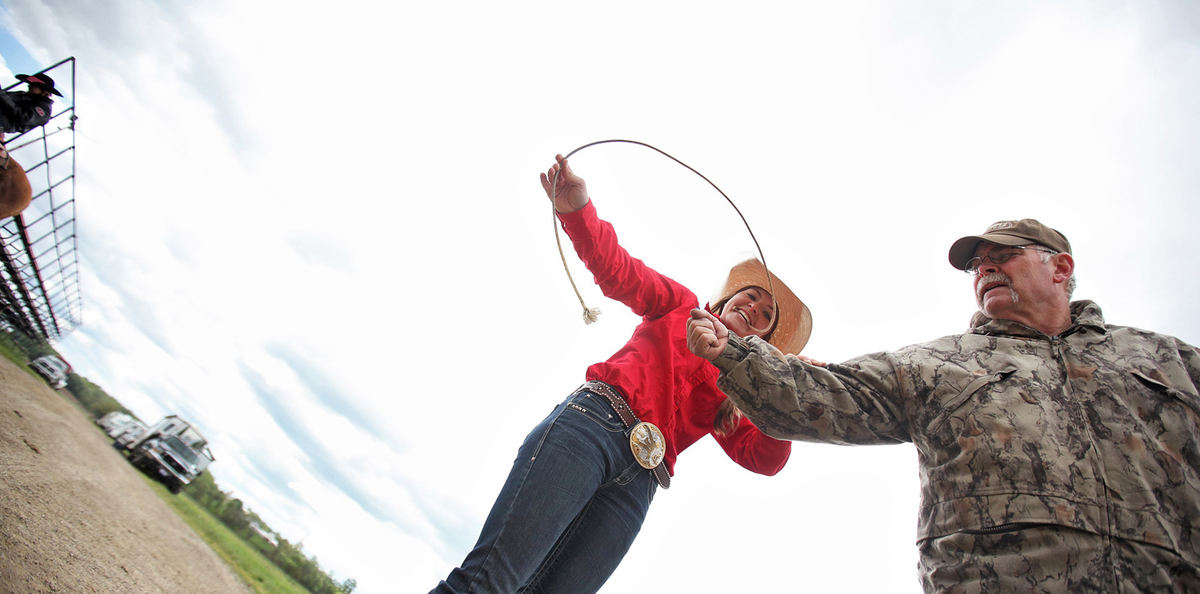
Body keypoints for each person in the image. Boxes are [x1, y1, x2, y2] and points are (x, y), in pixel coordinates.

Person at [688, 219, 1200, 592]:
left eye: (1004, 255)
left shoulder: (1168, 360)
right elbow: (822, 395)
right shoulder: (939, 363)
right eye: (977, 264)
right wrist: (732, 353)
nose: (985, 269)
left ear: (1060, 267)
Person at [432, 155, 812, 593]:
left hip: (641, 485)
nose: (753, 308)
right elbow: (618, 271)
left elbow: (763, 459)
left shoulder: (739, 392)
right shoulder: (679, 304)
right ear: (725, 300)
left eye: (766, 314)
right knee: (490, 582)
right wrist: (577, 209)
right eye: (749, 296)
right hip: (594, 427)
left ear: (764, 339)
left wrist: (788, 397)